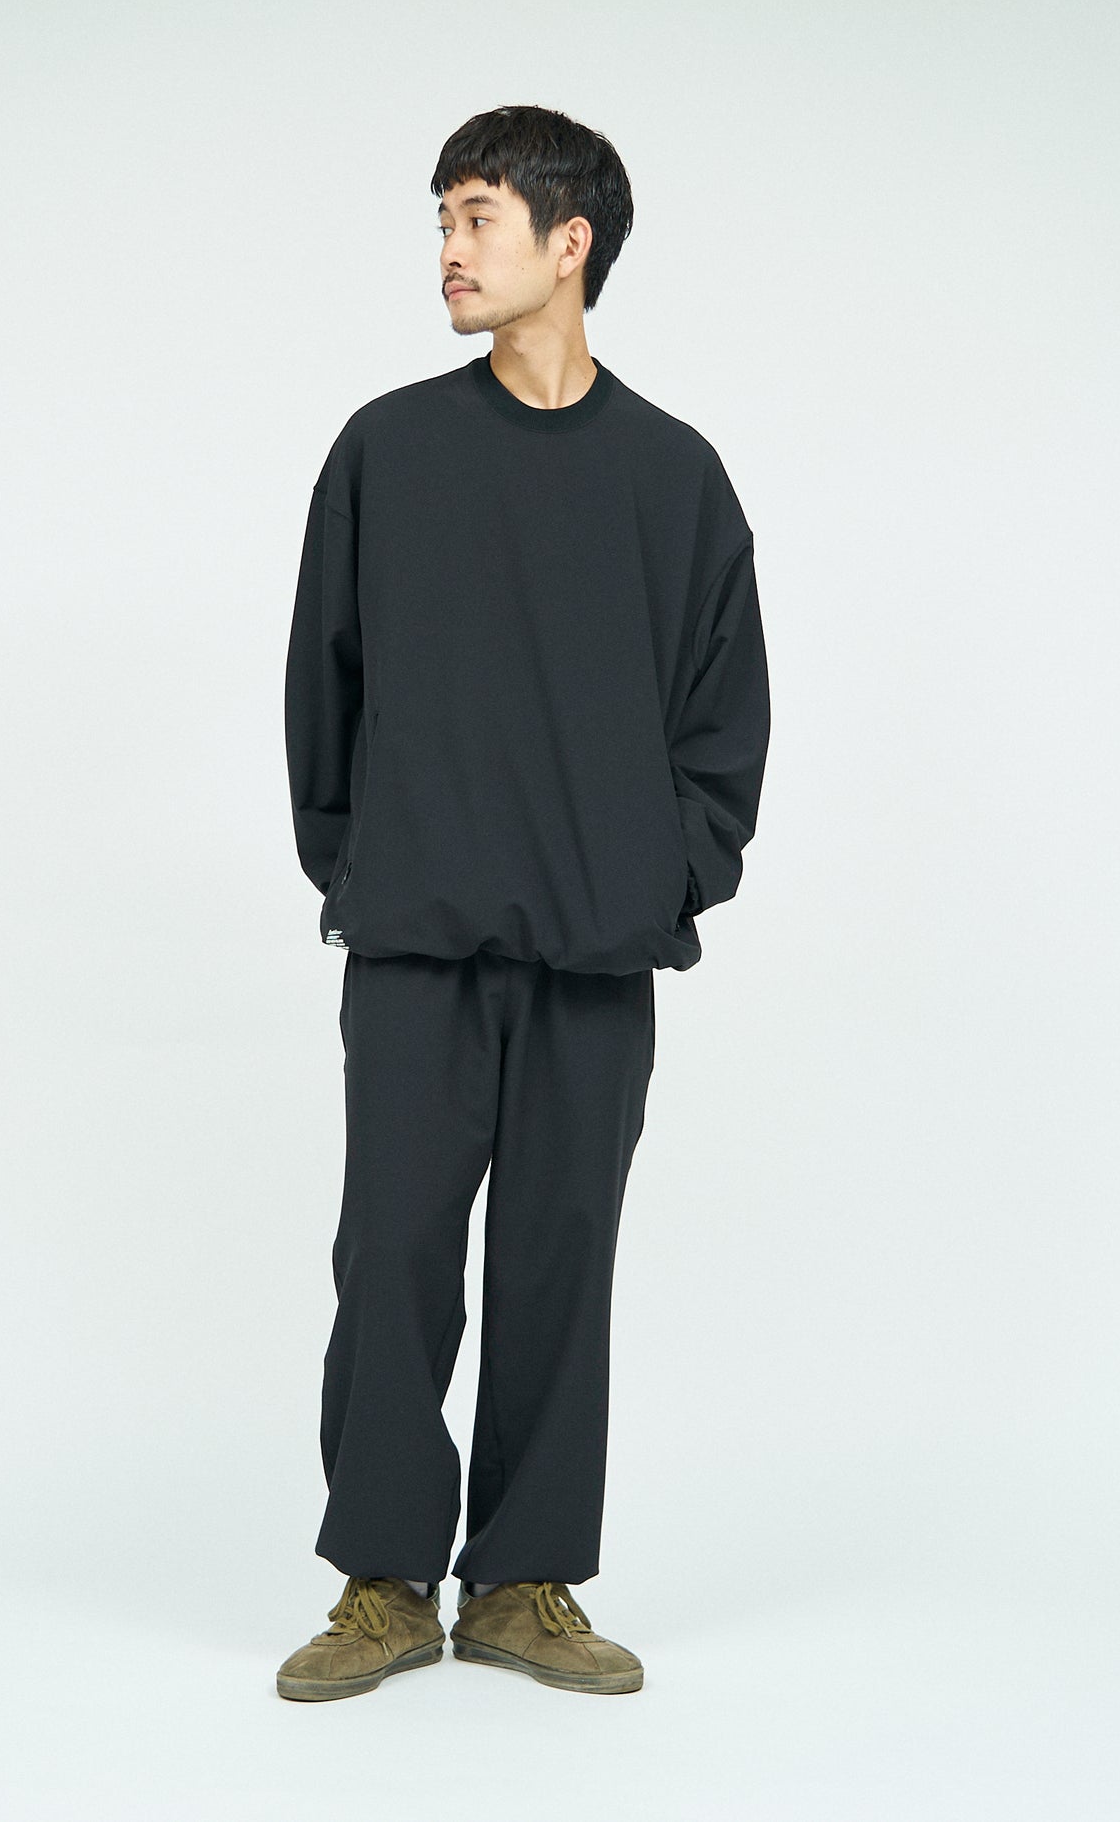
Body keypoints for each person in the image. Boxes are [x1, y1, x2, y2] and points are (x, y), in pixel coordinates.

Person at [276, 104, 771, 1702]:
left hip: (594, 956)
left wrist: (666, 872)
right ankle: (381, 1582)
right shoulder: (387, 451)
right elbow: (323, 687)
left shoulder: (674, 478)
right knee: (395, 1263)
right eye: (441, 219)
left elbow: (723, 720)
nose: (447, 249)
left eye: (476, 217)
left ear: (571, 243)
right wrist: (365, 867)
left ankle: (522, 1581)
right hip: (416, 943)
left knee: (563, 1263)